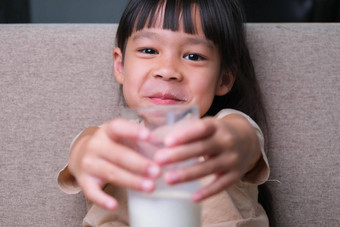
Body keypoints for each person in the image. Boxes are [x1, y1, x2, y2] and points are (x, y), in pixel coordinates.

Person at [58, 0, 270, 226]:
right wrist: (86, 156)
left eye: (194, 56)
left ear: (224, 78)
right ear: (120, 66)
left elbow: (243, 140)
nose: (167, 71)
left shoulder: (224, 127)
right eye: (148, 50)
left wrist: (232, 144)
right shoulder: (107, 140)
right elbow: (84, 150)